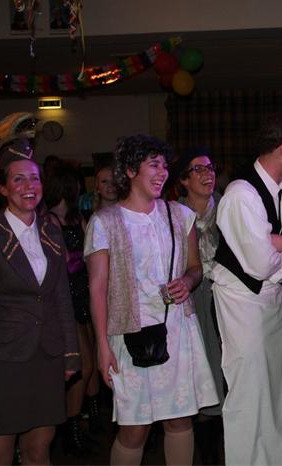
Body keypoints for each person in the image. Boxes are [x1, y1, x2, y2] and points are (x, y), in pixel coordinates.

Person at [84, 135, 217, 466]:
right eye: (153, 165)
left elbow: (195, 267)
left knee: (180, 420)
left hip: (178, 329)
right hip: (130, 333)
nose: (162, 173)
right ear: (130, 170)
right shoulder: (105, 222)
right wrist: (102, 346)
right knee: (134, 429)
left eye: (164, 166)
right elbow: (97, 288)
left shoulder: (180, 215)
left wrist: (187, 282)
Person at [0, 139, 80, 465]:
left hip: (46, 358)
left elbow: (60, 296)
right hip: (1, 362)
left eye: (35, 178)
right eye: (19, 179)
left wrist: (70, 353)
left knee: (38, 452)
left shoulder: (51, 233)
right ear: (2, 188)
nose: (29, 186)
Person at [210, 114, 282, 466]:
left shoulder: (280, 188)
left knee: (281, 385)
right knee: (250, 390)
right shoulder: (242, 194)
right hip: (242, 299)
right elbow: (260, 264)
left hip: (272, 299)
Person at [43, 164, 100, 454]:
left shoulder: (77, 218)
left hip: (83, 294)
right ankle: (71, 429)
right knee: (83, 364)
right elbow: (65, 262)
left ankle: (83, 424)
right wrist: (84, 259)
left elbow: (91, 253)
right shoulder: (49, 220)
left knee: (91, 362)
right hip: (65, 297)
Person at [176, 146, 225, 465]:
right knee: (201, 376)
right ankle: (207, 457)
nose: (208, 174)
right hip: (193, 299)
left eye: (210, 168)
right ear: (183, 180)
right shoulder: (174, 215)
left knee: (227, 375)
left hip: (228, 297)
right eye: (198, 169)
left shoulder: (228, 208)